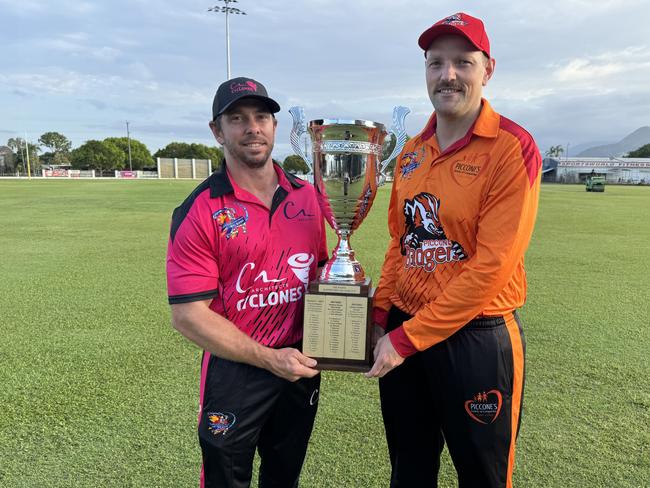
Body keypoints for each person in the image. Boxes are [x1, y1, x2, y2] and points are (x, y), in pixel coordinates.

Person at [366, 12, 542, 487]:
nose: (448, 75)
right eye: (436, 63)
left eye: (463, 62)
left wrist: (402, 340)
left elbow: (493, 267)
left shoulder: (512, 147)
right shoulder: (409, 154)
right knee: (409, 470)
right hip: (407, 330)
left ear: (488, 69)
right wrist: (380, 315)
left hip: (477, 338)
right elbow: (401, 245)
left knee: (483, 478)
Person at [166, 76, 328, 488]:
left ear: (274, 127)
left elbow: (321, 273)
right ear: (217, 131)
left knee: (284, 475)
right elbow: (187, 315)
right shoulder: (200, 210)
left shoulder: (309, 197)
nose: (252, 127)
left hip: (300, 365)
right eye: (237, 118)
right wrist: (266, 358)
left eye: (261, 117)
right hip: (234, 370)